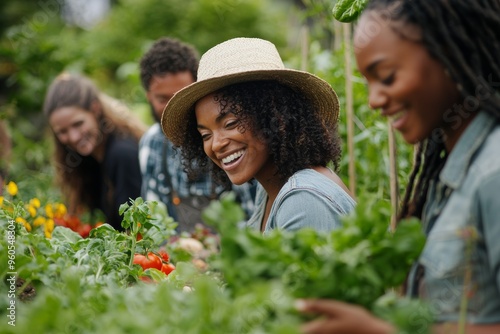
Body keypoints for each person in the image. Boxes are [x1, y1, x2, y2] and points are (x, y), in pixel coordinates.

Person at [297, 0, 500, 333]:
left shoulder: (493, 172)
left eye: (387, 77)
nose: (375, 99)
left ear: (449, 51)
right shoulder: (446, 177)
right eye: (367, 82)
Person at [161, 37, 356, 233]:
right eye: (205, 135)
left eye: (230, 123)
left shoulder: (303, 199)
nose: (216, 144)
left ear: (274, 116)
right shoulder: (270, 190)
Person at [138, 37, 256, 232]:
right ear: (148, 97)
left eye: (181, 94)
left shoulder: (227, 140)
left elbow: (254, 216)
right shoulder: (151, 143)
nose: (172, 106)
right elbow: (152, 216)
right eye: (162, 99)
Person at [43, 73, 145, 231]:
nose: (74, 137)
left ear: (95, 109)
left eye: (78, 124)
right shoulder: (88, 160)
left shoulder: (122, 153)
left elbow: (135, 230)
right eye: (62, 131)